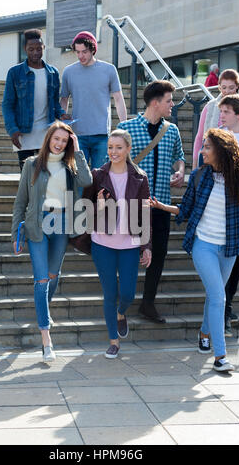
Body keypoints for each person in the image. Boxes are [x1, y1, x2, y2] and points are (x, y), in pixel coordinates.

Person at [149, 128, 239, 372]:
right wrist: (162, 206)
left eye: (207, 147)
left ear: (221, 151)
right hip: (203, 244)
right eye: (202, 146)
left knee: (216, 294)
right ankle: (220, 356)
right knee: (218, 296)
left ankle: (204, 333)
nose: (201, 151)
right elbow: (187, 209)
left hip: (230, 247)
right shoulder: (200, 176)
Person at [11, 121, 92, 362]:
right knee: (42, 278)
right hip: (37, 225)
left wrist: (77, 150)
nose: (59, 144)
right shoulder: (31, 164)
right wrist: (15, 232)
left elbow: (87, 182)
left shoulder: (71, 166)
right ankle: (46, 338)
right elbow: (20, 201)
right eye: (56, 139)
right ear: (48, 139)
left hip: (62, 224)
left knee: (53, 275)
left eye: (64, 141)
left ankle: (42, 308)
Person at [118, 80, 185, 324]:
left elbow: (179, 155)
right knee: (128, 253)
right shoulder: (125, 128)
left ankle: (148, 303)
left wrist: (180, 169)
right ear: (155, 103)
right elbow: (112, 161)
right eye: (169, 101)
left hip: (161, 205)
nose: (172, 105)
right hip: (133, 205)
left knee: (159, 254)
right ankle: (122, 303)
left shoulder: (173, 130)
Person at [82, 129, 152, 359]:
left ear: (128, 149)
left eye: (119, 147)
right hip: (102, 242)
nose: (113, 152)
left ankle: (122, 313)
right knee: (110, 293)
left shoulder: (140, 177)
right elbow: (84, 208)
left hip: (130, 243)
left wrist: (146, 245)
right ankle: (113, 341)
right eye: (110, 147)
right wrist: (98, 204)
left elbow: (144, 214)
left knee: (128, 294)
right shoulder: (97, 175)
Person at [2, 29, 68, 171]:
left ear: (43, 48)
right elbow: (8, 104)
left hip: (47, 132)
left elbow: (54, 103)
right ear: (25, 49)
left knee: (46, 176)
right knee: (27, 178)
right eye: (31, 49)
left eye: (39, 49)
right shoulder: (15, 72)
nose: (35, 52)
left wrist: (62, 113)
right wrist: (12, 130)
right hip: (24, 133)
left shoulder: (52, 72)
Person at [60, 31, 127, 169]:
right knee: (79, 179)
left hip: (102, 135)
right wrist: (63, 125)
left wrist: (124, 126)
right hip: (77, 135)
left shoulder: (109, 70)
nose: (80, 56)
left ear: (93, 49)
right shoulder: (68, 72)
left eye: (84, 52)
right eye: (77, 52)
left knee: (100, 180)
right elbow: (64, 100)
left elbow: (119, 99)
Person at [218, 94, 239, 335]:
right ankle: (217, 307)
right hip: (220, 205)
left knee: (237, 258)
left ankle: (225, 310)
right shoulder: (219, 138)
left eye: (226, 111)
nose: (222, 115)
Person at [193, 69, 239, 169]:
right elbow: (200, 137)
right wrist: (195, 165)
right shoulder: (210, 107)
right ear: (219, 87)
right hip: (212, 161)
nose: (227, 91)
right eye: (224, 87)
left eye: (231, 87)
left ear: (238, 87)